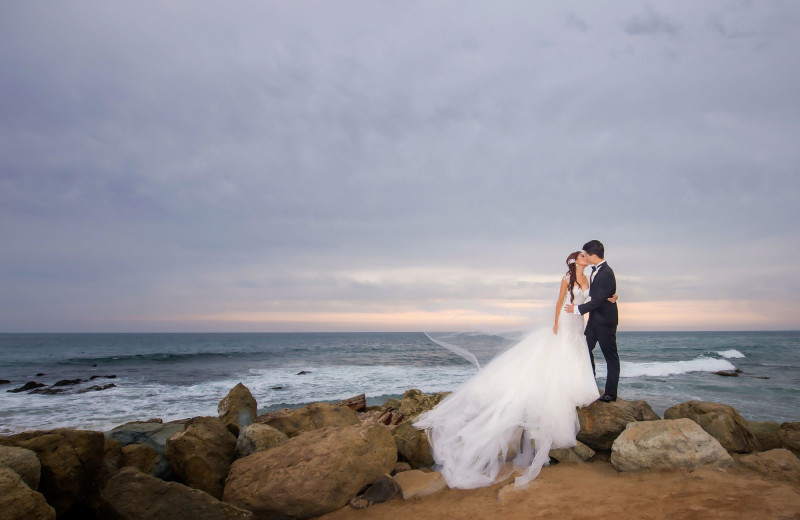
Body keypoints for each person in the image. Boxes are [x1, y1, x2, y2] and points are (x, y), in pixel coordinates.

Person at [414, 250, 617, 489]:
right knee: (559, 353)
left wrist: (611, 298)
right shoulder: (566, 278)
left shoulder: (590, 279)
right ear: (575, 261)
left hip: (576, 324)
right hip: (564, 321)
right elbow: (560, 301)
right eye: (582, 256)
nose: (585, 257)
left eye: (586, 255)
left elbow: (596, 298)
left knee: (575, 354)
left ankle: (576, 387)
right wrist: (555, 322)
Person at [564, 240, 619, 402]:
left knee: (611, 357)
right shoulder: (595, 272)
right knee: (585, 350)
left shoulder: (606, 273)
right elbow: (598, 294)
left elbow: (599, 300)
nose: (585, 257)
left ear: (593, 255)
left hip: (606, 322)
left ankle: (610, 393)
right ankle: (590, 384)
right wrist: (614, 296)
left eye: (586, 255)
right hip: (594, 320)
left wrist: (577, 309)